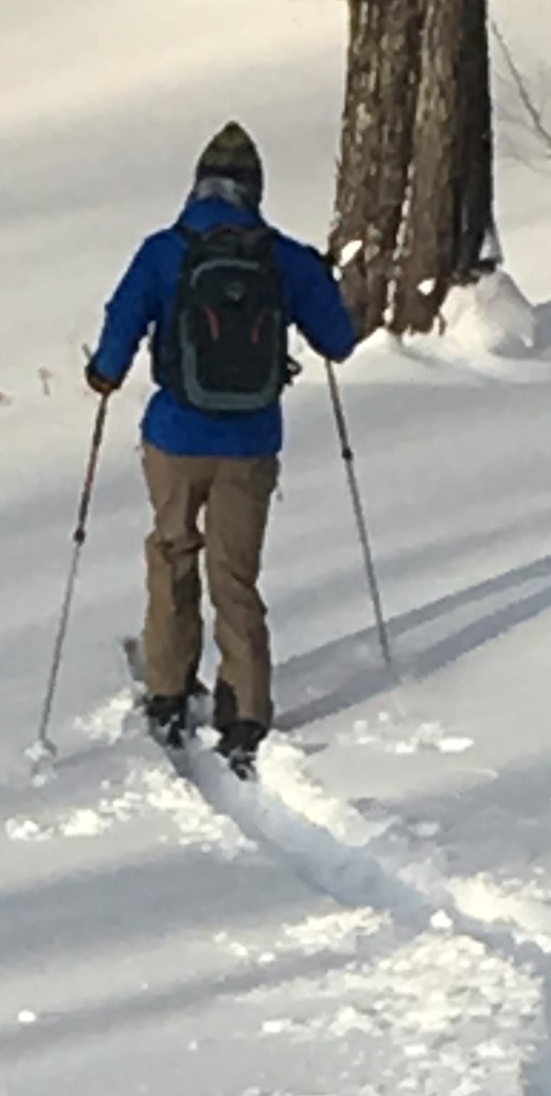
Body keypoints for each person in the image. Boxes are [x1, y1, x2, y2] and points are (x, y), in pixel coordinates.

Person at [86, 123, 358, 773]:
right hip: (252, 441)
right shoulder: (283, 258)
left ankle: (169, 690)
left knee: (174, 551)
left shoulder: (163, 250)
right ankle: (246, 711)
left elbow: (119, 333)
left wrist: (104, 373)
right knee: (235, 574)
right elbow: (340, 341)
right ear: (254, 189)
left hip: (174, 436)